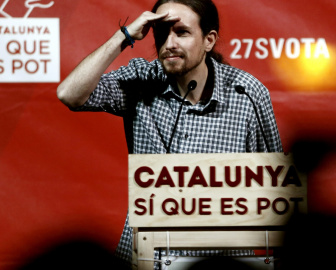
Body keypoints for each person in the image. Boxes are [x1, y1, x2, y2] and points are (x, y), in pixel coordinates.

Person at [57, 0, 282, 268]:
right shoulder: (141, 79)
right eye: (162, 34)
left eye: (182, 32)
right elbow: (69, 94)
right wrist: (125, 35)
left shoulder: (246, 92)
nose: (170, 43)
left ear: (209, 40)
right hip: (145, 256)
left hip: (217, 259)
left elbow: (274, 189)